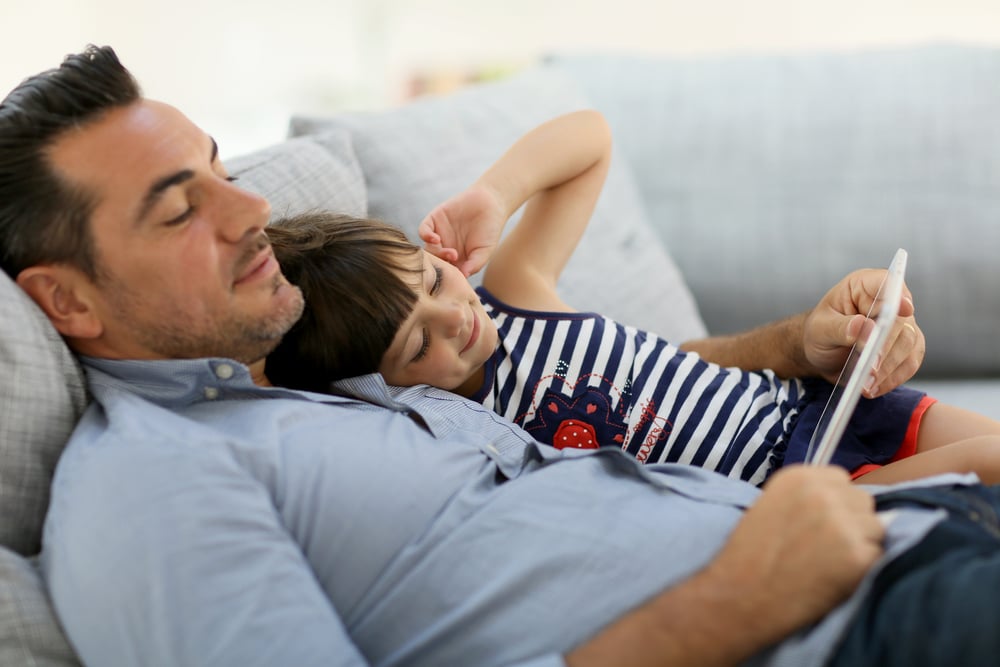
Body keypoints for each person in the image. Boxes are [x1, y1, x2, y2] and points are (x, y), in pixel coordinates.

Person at [3, 44, 1000, 667]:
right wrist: (733, 600)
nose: (254, 206)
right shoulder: (148, 482)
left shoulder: (311, 370)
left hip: (905, 534)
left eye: (222, 168)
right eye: (181, 208)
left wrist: (792, 344)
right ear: (65, 299)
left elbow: (641, 362)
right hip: (847, 617)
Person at [265, 110, 1000, 486]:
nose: (455, 317)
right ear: (377, 387)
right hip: (797, 487)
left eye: (432, 282)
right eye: (417, 343)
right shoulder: (468, 433)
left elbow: (590, 139)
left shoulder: (513, 296)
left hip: (816, 403)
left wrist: (495, 194)